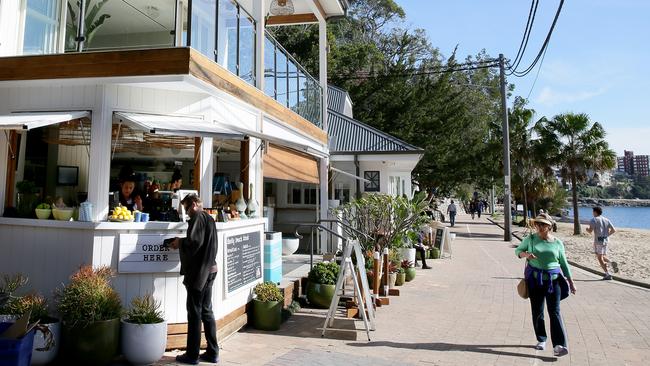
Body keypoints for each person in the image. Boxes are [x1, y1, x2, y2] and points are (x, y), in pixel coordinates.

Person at [515, 213, 576, 357]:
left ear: (549, 226)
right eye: (537, 224)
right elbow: (518, 251)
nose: (539, 227)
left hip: (553, 282)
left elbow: (564, 263)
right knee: (537, 311)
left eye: (543, 224)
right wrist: (526, 255)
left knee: (554, 312)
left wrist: (571, 282)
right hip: (535, 281)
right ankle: (541, 338)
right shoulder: (530, 239)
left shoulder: (557, 243)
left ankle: (559, 345)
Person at [169, 194, 219, 364]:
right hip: (211, 270)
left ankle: (192, 355)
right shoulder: (209, 218)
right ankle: (213, 352)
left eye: (187, 208)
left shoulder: (197, 216)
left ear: (195, 204)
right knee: (207, 311)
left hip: (200, 274)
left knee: (195, 313)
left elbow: (194, 243)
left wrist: (179, 243)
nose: (187, 213)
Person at [585, 206, 618, 280]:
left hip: (598, 241)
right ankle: (611, 263)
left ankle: (608, 274)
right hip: (605, 240)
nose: (592, 213)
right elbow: (613, 230)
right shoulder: (606, 219)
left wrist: (587, 229)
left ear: (595, 212)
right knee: (600, 255)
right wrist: (606, 235)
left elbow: (590, 231)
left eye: (593, 212)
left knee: (600, 258)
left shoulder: (594, 220)